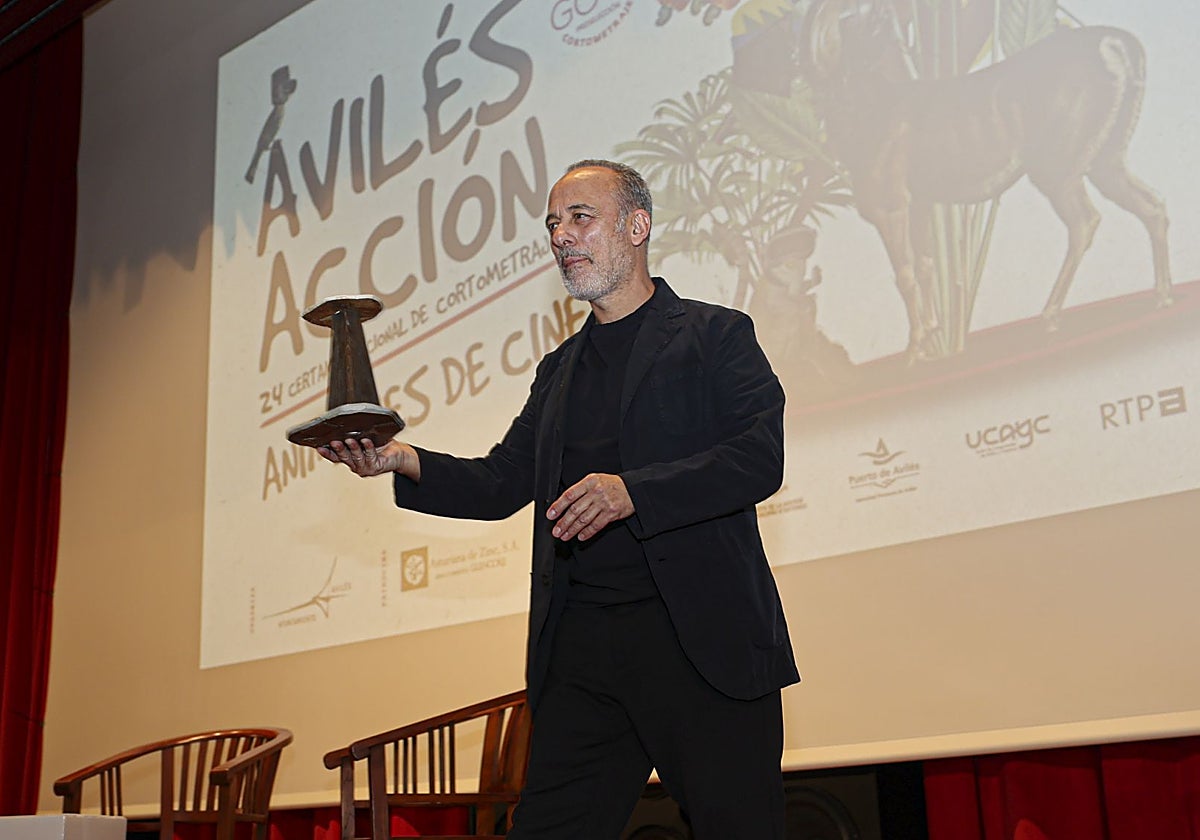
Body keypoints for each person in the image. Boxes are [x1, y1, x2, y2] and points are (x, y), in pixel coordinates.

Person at [319, 159, 800, 839]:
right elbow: (501, 482)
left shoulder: (715, 335)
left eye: (581, 218)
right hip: (582, 651)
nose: (561, 237)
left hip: (698, 643)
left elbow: (759, 458)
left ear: (637, 226)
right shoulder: (559, 371)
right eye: (552, 224)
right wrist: (402, 459)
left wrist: (634, 492)